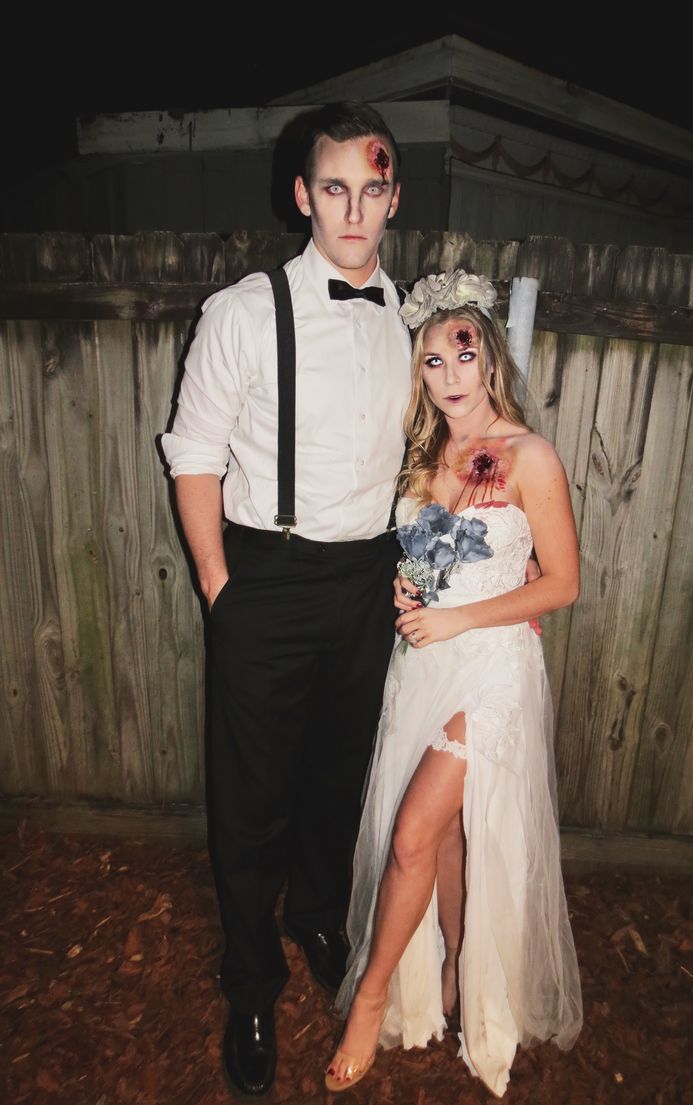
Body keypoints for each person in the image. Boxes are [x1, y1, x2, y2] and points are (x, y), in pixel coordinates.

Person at [160, 103, 410, 1098]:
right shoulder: (241, 311)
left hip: (367, 582)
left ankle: (316, 910)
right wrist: (222, 589)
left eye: (372, 188)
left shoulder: (411, 317)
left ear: (393, 196)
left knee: (336, 774)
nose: (354, 210)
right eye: (334, 188)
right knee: (251, 796)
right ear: (303, 195)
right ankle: (250, 983)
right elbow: (192, 454)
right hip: (266, 575)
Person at [325, 271, 583, 1097]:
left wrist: (462, 619)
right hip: (425, 664)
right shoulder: (425, 455)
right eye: (431, 362)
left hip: (493, 670)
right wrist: (409, 589)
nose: (448, 374)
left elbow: (562, 584)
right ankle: (450, 983)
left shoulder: (528, 457)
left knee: (411, 832)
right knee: (444, 842)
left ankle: (370, 998)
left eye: (461, 353)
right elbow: (428, 561)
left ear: (489, 356)